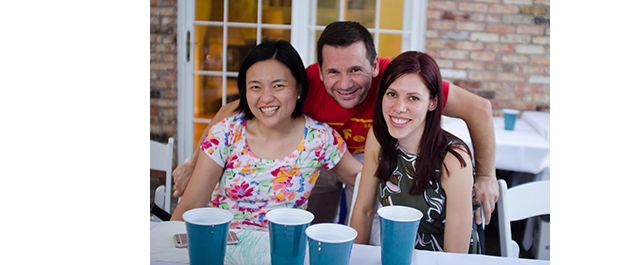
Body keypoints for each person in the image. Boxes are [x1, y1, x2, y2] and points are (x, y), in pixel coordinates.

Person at [173, 21, 499, 225]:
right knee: (315, 221)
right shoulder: (304, 84)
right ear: (320, 68)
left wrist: (485, 174)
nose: (344, 83)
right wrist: (194, 161)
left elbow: (480, 109)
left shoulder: (399, 81)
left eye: (355, 70)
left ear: (374, 66)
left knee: (382, 203)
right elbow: (237, 107)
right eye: (334, 72)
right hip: (318, 157)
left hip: (371, 152)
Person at [170, 40, 361, 230]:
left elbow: (362, 177)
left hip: (284, 252)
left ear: (299, 88)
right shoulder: (226, 134)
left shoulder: (320, 138)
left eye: (278, 86)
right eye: (255, 87)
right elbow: (189, 207)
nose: (266, 97)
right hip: (223, 249)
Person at [351, 51, 479, 253]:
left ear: (433, 102)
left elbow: (456, 255)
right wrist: (355, 257)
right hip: (395, 254)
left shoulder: (453, 158)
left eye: (413, 98)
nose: (399, 107)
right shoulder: (378, 138)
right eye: (392, 94)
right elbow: (364, 211)